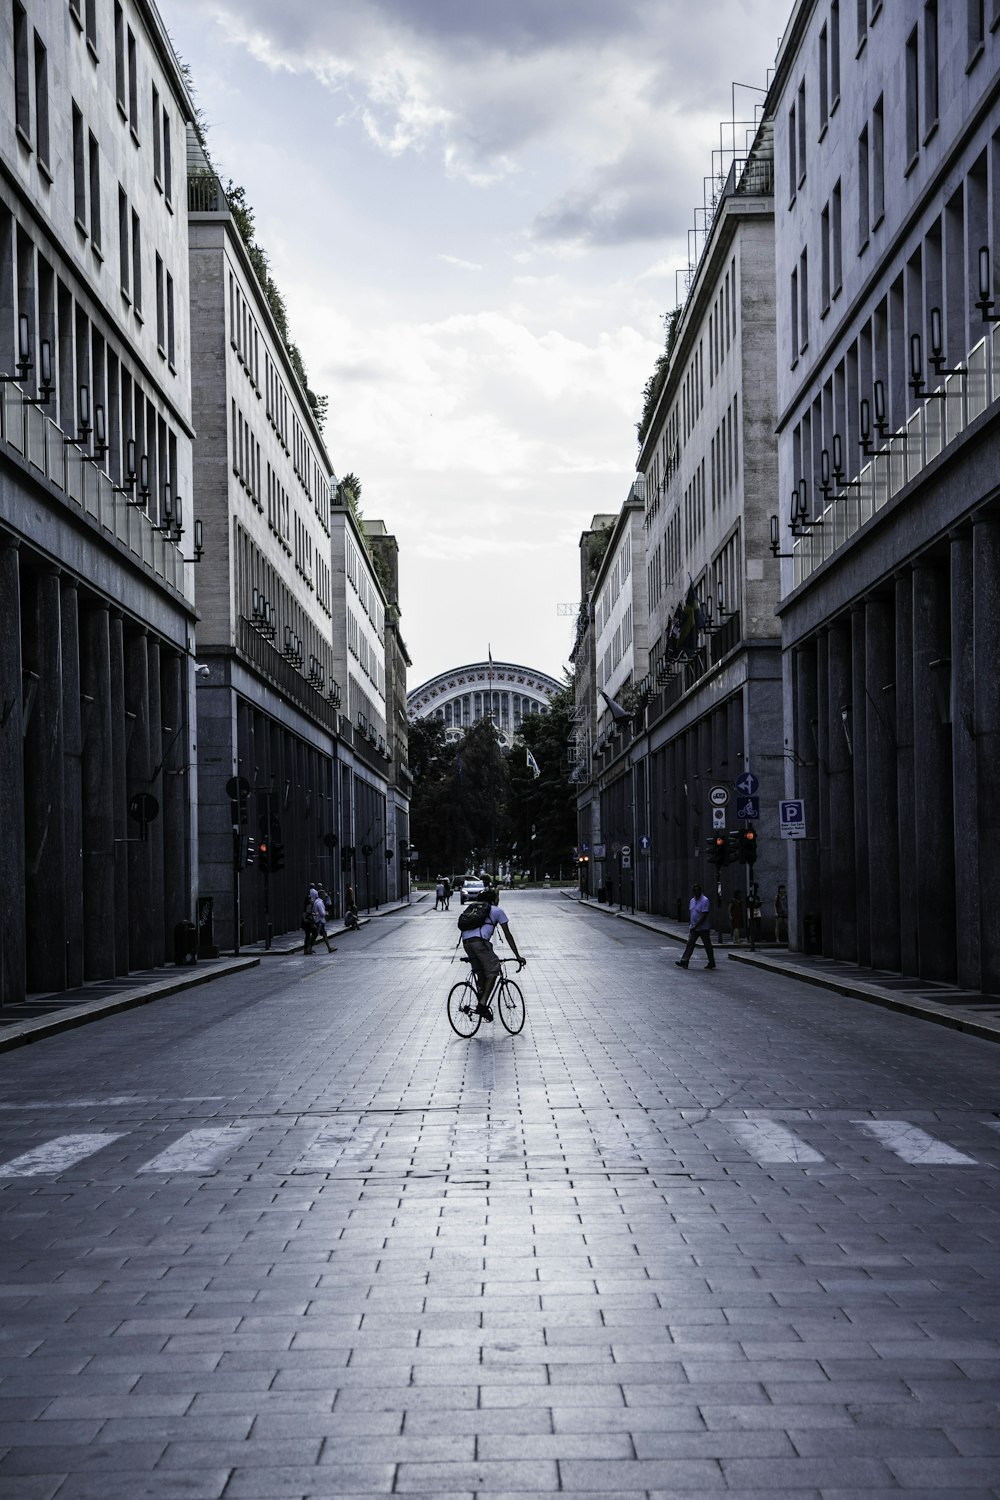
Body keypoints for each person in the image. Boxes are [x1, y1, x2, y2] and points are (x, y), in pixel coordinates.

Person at [460, 882, 526, 1020]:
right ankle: (482, 1005)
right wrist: (518, 956)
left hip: (466, 942)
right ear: (493, 900)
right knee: (494, 968)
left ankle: (480, 1000)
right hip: (479, 943)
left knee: (481, 973)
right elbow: (508, 935)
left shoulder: (475, 910)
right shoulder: (497, 911)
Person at [676, 883, 716, 969]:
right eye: (694, 890)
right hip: (694, 927)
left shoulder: (705, 900)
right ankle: (685, 961)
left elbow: (704, 914)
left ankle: (711, 962)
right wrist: (691, 925)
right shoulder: (692, 901)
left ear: (700, 891)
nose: (696, 892)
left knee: (707, 945)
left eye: (697, 890)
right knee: (690, 943)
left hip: (703, 928)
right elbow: (692, 913)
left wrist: (697, 925)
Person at [310, 886, 335, 954]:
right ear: (321, 895)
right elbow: (322, 913)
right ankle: (309, 947)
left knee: (324, 935)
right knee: (315, 935)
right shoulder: (319, 903)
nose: (325, 896)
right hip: (319, 921)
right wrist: (326, 913)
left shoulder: (317, 901)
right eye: (324, 895)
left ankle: (329, 948)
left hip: (319, 921)